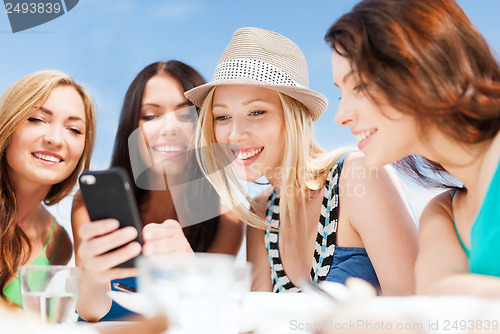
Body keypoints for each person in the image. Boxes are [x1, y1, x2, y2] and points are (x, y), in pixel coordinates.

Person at [186, 27, 418, 294]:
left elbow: (417, 311)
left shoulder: (358, 175)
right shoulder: (262, 213)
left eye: (257, 112)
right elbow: (260, 321)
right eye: (222, 117)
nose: (235, 134)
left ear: (297, 116)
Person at [325, 0, 500, 296]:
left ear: (425, 67)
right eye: (341, 93)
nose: (340, 116)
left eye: (360, 86)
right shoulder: (442, 213)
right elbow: (438, 310)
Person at [72, 60, 244, 321]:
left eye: (186, 115)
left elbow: (208, 320)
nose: (169, 128)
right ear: (132, 129)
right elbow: (90, 313)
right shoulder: (89, 205)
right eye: (151, 116)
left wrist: (190, 269)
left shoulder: (226, 222)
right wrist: (93, 279)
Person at [0, 70, 96, 306]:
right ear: (8, 124)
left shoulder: (59, 244)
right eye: (37, 119)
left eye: (74, 130)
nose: (55, 139)